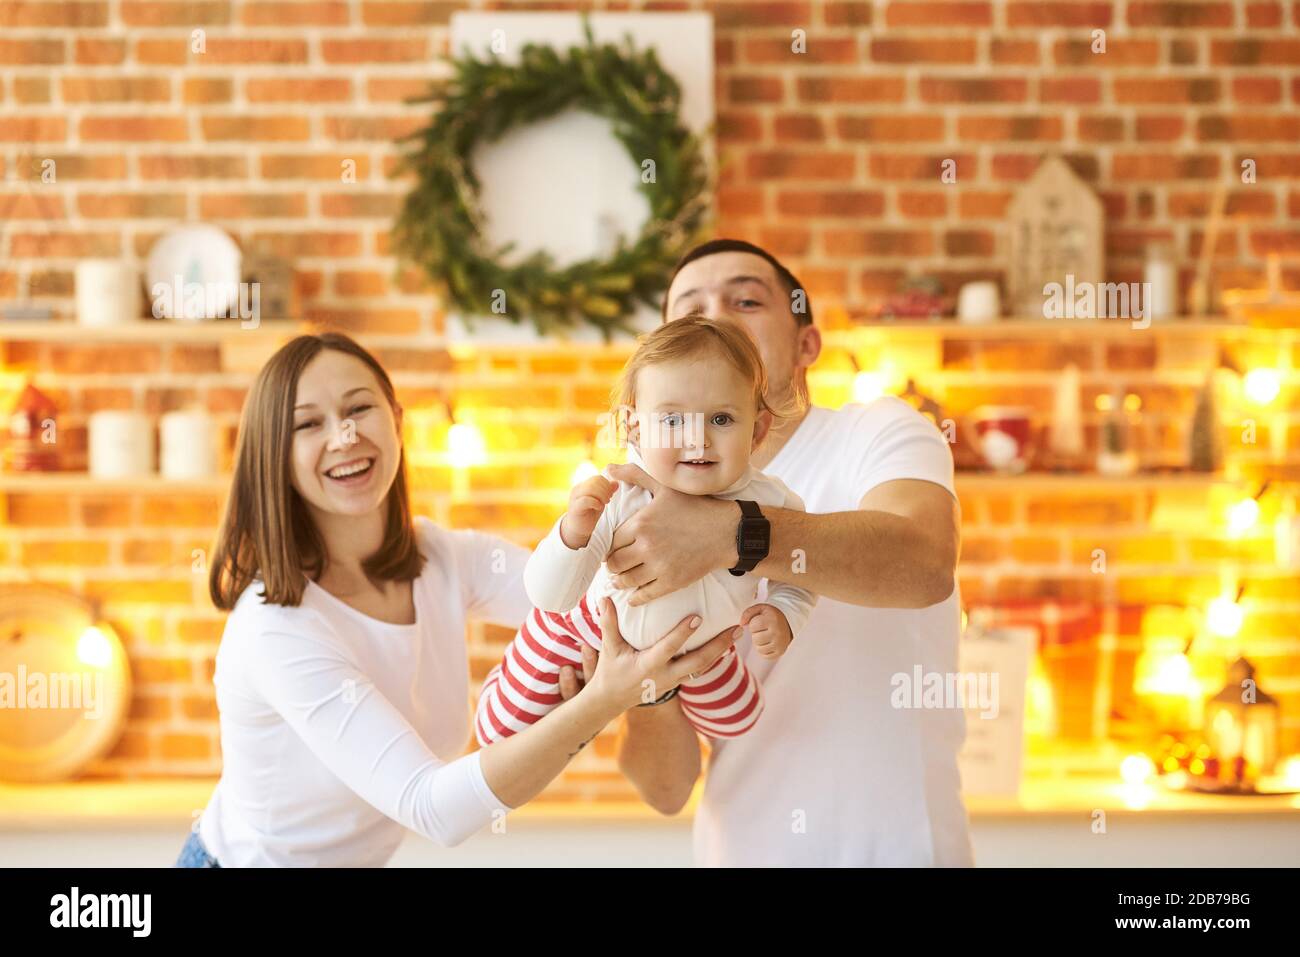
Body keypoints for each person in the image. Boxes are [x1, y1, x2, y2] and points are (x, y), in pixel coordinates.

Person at [178, 332, 735, 867]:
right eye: (309, 424)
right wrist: (600, 702)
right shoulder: (277, 626)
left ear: (396, 421)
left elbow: (593, 603)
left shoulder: (442, 557)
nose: (344, 436)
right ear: (273, 455)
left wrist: (685, 515)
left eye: (359, 409)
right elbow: (432, 808)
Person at [566, 238, 973, 867]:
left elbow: (924, 564)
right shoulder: (640, 507)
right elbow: (665, 789)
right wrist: (639, 683)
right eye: (691, 310)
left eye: (747, 299)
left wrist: (729, 532)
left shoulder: (877, 432)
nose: (718, 318)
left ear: (807, 343)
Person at [475, 316, 816, 746]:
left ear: (758, 429)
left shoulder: (773, 504)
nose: (697, 439)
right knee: (497, 732)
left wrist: (786, 613)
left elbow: (800, 572)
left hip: (702, 651)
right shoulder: (621, 493)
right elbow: (549, 597)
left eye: (722, 419)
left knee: (741, 723)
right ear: (635, 427)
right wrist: (572, 534)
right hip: (583, 630)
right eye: (673, 420)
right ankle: (507, 674)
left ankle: (660, 692)